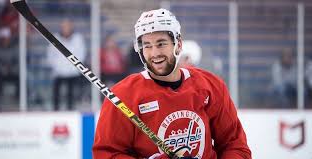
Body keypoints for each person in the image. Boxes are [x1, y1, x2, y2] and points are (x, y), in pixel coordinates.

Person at [93, 8, 251, 159]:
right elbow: (106, 154)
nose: (154, 53)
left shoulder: (210, 86)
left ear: (179, 45)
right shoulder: (123, 95)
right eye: (147, 45)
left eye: (161, 44)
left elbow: (235, 145)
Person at [46, 19, 87, 111]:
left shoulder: (78, 38)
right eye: (64, 26)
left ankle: (70, 110)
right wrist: (56, 66)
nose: (66, 28)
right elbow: (50, 54)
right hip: (58, 71)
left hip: (73, 71)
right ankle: (55, 110)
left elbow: (82, 53)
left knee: (71, 93)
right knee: (56, 93)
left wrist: (76, 67)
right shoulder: (55, 37)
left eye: (68, 26)